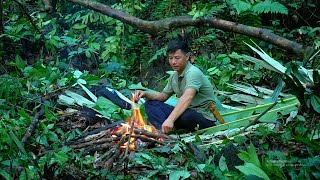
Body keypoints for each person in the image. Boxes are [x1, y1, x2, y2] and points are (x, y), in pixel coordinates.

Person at [134, 39, 217, 134]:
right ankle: (162, 132)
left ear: (187, 57)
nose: (173, 62)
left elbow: (187, 97)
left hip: (202, 118)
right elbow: (163, 96)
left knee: (186, 115)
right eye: (170, 58)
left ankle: (167, 129)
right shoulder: (174, 76)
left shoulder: (193, 73)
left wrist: (170, 119)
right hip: (184, 114)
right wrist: (145, 93)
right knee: (150, 104)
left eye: (177, 58)